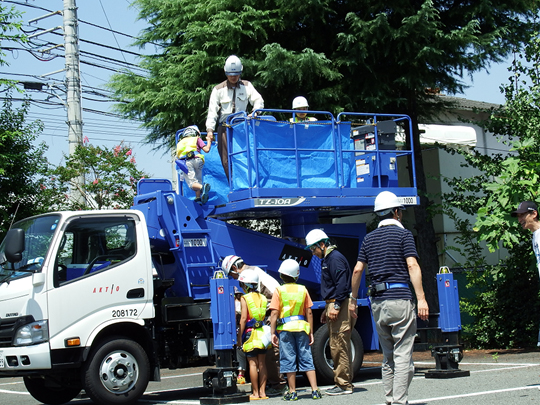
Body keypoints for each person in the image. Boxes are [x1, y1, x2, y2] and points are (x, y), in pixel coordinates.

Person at [349, 191, 429, 405]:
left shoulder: (368, 239)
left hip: (377, 302)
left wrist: (353, 299)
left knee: (388, 355)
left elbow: (357, 270)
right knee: (403, 353)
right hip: (400, 298)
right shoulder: (404, 236)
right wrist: (421, 298)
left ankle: (389, 399)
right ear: (396, 212)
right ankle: (399, 400)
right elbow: (412, 265)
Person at [221, 254, 287, 396]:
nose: (234, 279)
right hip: (265, 316)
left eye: (231, 275)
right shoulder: (252, 273)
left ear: (234, 268)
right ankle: (267, 387)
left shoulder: (253, 273)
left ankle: (278, 385)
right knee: (264, 356)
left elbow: (276, 292)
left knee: (270, 353)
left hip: (270, 314)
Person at [305, 229, 355, 395]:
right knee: (336, 344)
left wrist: (337, 305)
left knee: (339, 344)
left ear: (322, 244)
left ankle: (344, 384)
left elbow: (342, 284)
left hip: (337, 303)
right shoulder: (327, 259)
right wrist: (328, 308)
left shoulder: (335, 259)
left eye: (314, 249)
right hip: (332, 303)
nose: (313, 253)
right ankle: (340, 381)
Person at [269, 259, 322, 401]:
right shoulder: (303, 289)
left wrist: (272, 332)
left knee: (288, 359)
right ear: (296, 276)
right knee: (306, 357)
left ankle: (292, 392)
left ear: (281, 275)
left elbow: (274, 313)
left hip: (285, 329)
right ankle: (315, 390)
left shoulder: (278, 290)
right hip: (301, 328)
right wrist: (310, 331)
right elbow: (309, 312)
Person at [205, 55, 264, 180]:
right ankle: (234, 185)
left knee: (245, 157)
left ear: (240, 72)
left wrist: (254, 113)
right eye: (230, 74)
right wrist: (210, 130)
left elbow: (259, 100)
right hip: (224, 128)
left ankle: (248, 183)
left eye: (236, 74)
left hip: (242, 127)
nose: (233, 77)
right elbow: (212, 112)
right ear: (226, 73)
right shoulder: (218, 89)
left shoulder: (247, 86)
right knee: (226, 160)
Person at [511, 200, 540, 346]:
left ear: (534, 214)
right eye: (518, 216)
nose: (519, 220)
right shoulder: (535, 236)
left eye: (522, 215)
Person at [238, 270, 270, 400]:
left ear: (246, 285)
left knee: (252, 364)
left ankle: (255, 393)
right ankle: (263, 392)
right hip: (262, 334)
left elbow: (244, 319)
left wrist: (240, 337)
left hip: (250, 334)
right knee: (262, 363)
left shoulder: (244, 298)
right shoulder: (263, 297)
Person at [175, 125, 213, 204]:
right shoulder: (197, 139)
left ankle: (203, 188)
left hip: (187, 161)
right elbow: (206, 149)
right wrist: (209, 141)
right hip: (198, 160)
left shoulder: (180, 143)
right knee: (198, 180)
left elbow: (178, 157)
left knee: (192, 183)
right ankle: (198, 198)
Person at [234, 286, 247, 384]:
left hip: (239, 330)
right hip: (251, 329)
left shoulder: (234, 304)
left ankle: (240, 375)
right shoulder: (246, 301)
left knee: (240, 354)